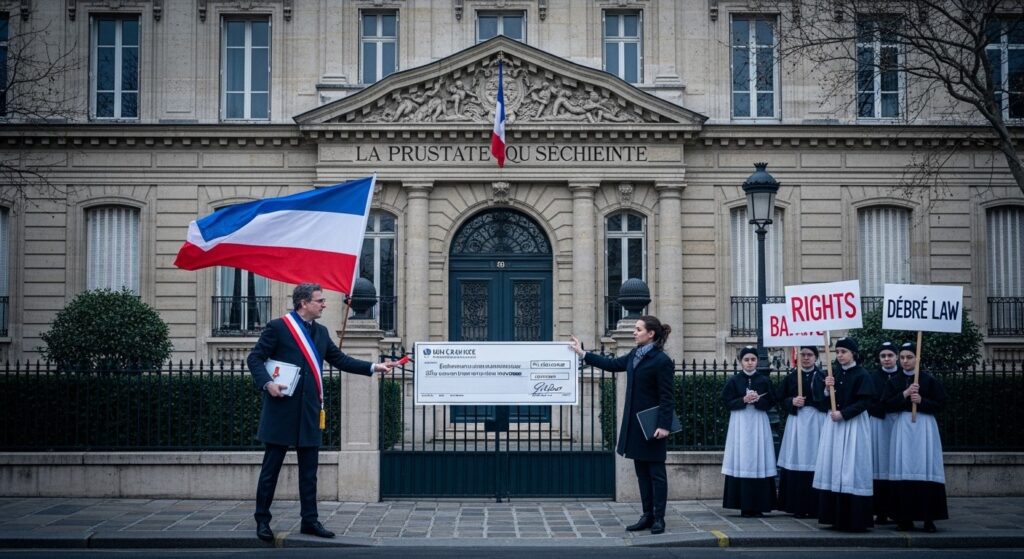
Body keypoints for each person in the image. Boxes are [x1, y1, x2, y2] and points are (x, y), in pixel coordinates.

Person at [247, 283, 395, 543]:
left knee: (309, 472)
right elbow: (255, 359)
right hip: (281, 409)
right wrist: (267, 383)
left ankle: (310, 521)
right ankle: (262, 520)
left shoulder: (321, 332)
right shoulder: (278, 328)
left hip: (309, 411)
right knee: (270, 470)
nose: (324, 304)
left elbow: (341, 360)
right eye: (320, 300)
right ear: (304, 303)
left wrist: (374, 366)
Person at [569, 316, 674, 535]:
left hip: (652, 424)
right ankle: (647, 516)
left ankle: (659, 518)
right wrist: (583, 353)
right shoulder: (635, 354)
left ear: (650, 333)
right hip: (635, 424)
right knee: (642, 473)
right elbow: (612, 364)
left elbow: (667, 397)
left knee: (656, 473)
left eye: (637, 329)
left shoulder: (661, 360)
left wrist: (664, 425)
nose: (634, 333)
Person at [882, 342, 949, 533]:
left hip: (924, 427)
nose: (905, 361)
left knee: (925, 467)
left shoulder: (928, 380)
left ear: (917, 358)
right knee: (903, 468)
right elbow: (885, 404)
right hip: (903, 427)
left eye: (909, 357)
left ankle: (929, 518)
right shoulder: (893, 381)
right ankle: (904, 518)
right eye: (902, 357)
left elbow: (941, 403)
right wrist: (904, 394)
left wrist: (922, 401)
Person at [812, 337, 875, 532]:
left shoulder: (862, 374)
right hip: (834, 425)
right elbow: (820, 401)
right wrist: (825, 388)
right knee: (833, 466)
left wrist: (844, 414)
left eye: (843, 352)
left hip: (853, 425)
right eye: (837, 352)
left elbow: (865, 402)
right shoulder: (833, 373)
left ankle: (854, 518)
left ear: (853, 354)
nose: (839, 355)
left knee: (851, 467)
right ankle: (834, 516)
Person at [721, 346, 777, 517]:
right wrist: (743, 400)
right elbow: (726, 401)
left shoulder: (764, 380)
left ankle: (759, 504)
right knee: (742, 457)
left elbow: (772, 401)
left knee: (759, 458)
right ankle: (743, 504)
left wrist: (758, 401)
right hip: (740, 422)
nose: (750, 363)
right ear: (740, 362)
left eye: (753, 359)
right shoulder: (734, 381)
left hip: (758, 422)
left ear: (757, 361)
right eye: (746, 360)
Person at [776, 345, 828, 519]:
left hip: (817, 421)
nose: (806, 358)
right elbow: (779, 399)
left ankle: (816, 505)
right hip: (797, 422)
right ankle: (797, 505)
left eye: (810, 355)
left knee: (816, 459)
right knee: (797, 459)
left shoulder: (824, 377)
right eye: (803, 354)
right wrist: (792, 401)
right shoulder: (792, 377)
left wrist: (826, 393)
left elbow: (832, 400)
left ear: (816, 357)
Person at [868, 341, 900, 525]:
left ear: (896, 356)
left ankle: (897, 509)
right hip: (879, 423)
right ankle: (879, 510)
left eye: (890, 355)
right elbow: (869, 401)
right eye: (883, 356)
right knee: (879, 465)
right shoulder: (873, 377)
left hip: (898, 422)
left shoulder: (904, 376)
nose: (886, 359)